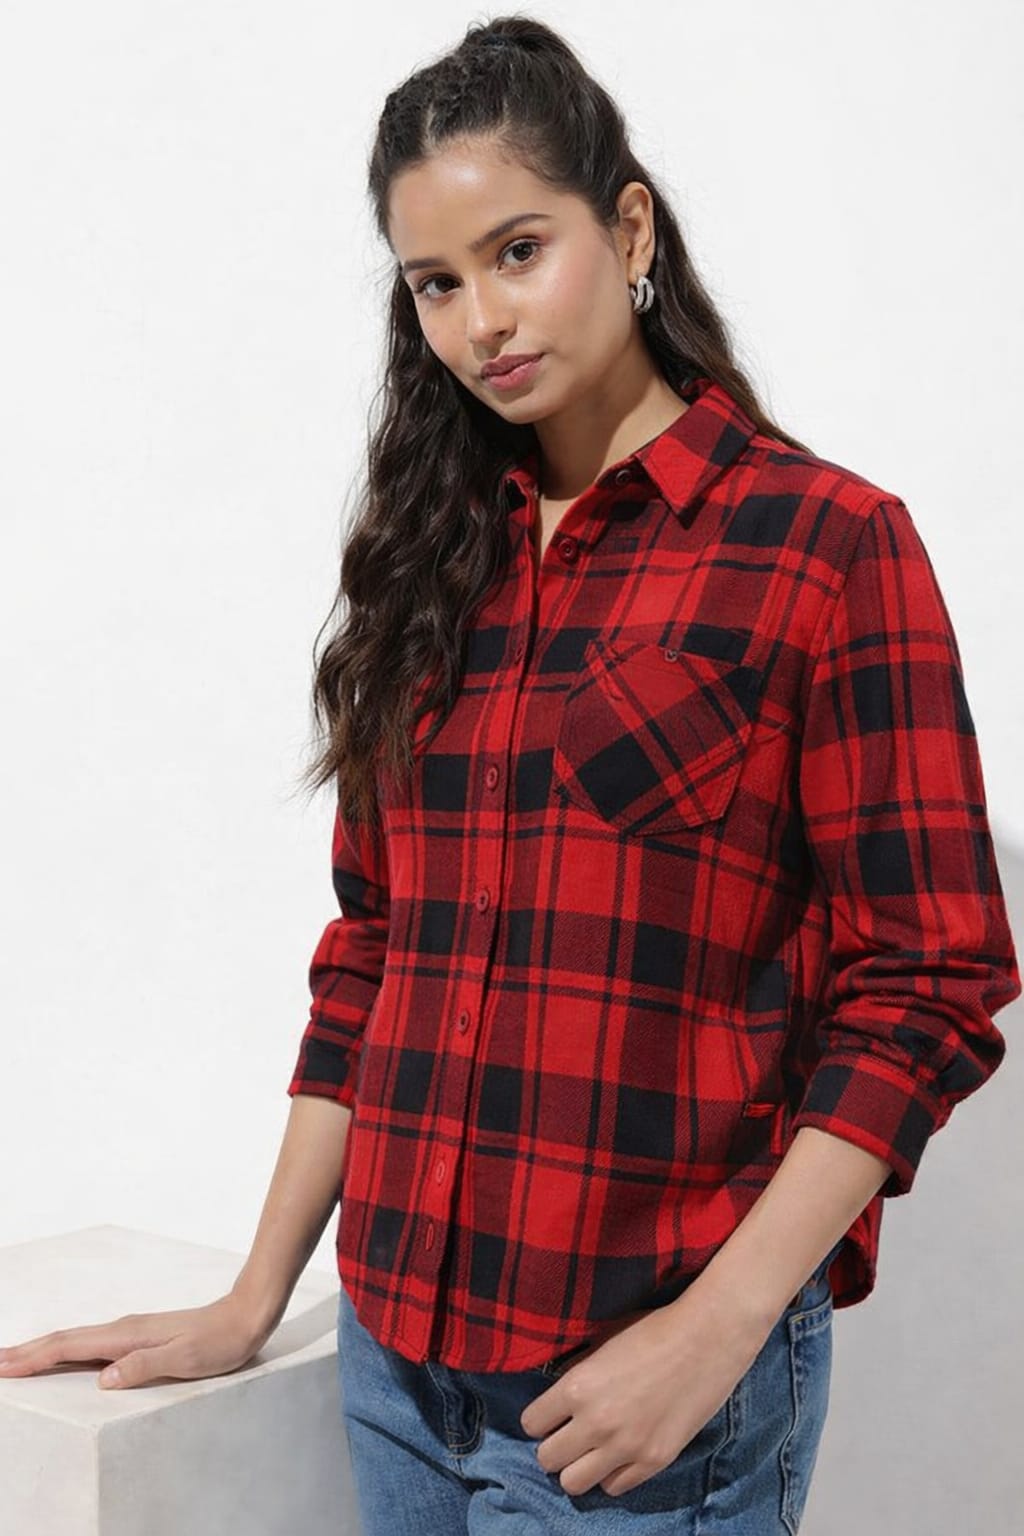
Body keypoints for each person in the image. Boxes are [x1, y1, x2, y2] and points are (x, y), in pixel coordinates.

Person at [0, 13, 1019, 1534]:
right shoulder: (435, 561)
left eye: (519, 251)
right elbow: (375, 952)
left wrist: (719, 1330)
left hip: (638, 1392)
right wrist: (255, 1295)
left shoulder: (822, 546)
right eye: (436, 282)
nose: (483, 320)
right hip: (395, 1362)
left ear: (630, 231)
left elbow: (930, 979)